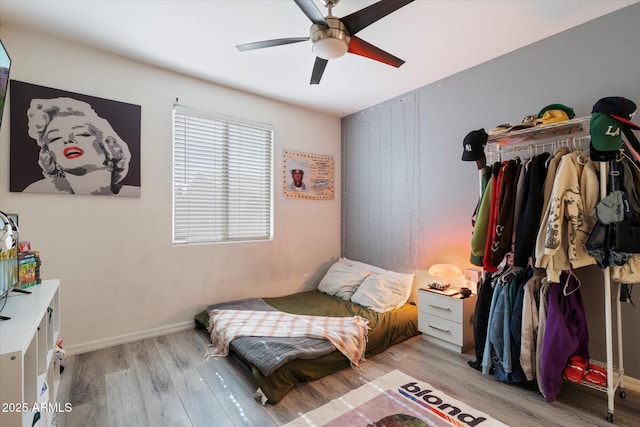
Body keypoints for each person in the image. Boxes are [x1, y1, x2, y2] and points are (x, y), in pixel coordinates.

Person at [23, 97, 137, 196]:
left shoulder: (134, 193)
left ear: (109, 145)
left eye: (82, 134)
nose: (67, 140)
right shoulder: (38, 191)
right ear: (48, 154)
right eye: (55, 138)